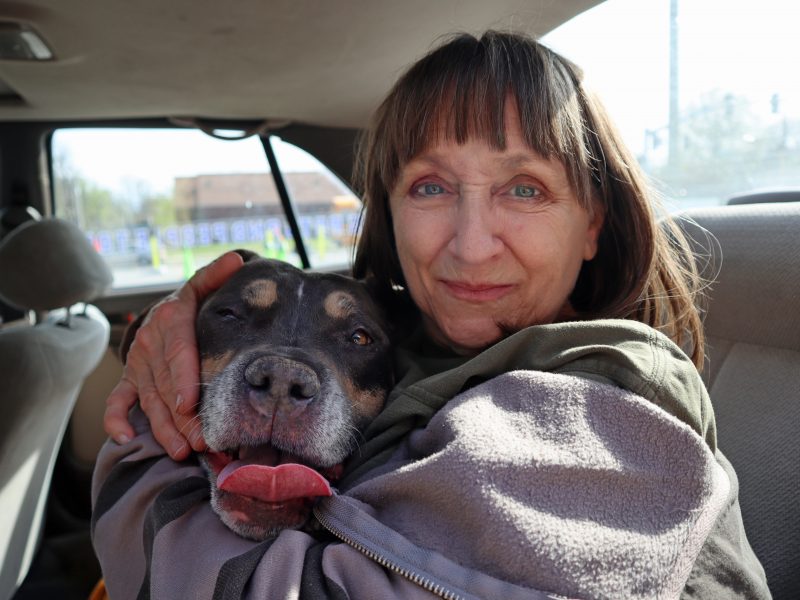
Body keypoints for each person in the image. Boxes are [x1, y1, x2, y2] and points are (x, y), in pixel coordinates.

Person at [94, 31, 770, 599]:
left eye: (525, 188)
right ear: (389, 214)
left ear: (592, 223)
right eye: (431, 186)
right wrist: (194, 318)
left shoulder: (595, 422)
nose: (471, 244)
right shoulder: (433, 348)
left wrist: (141, 455)